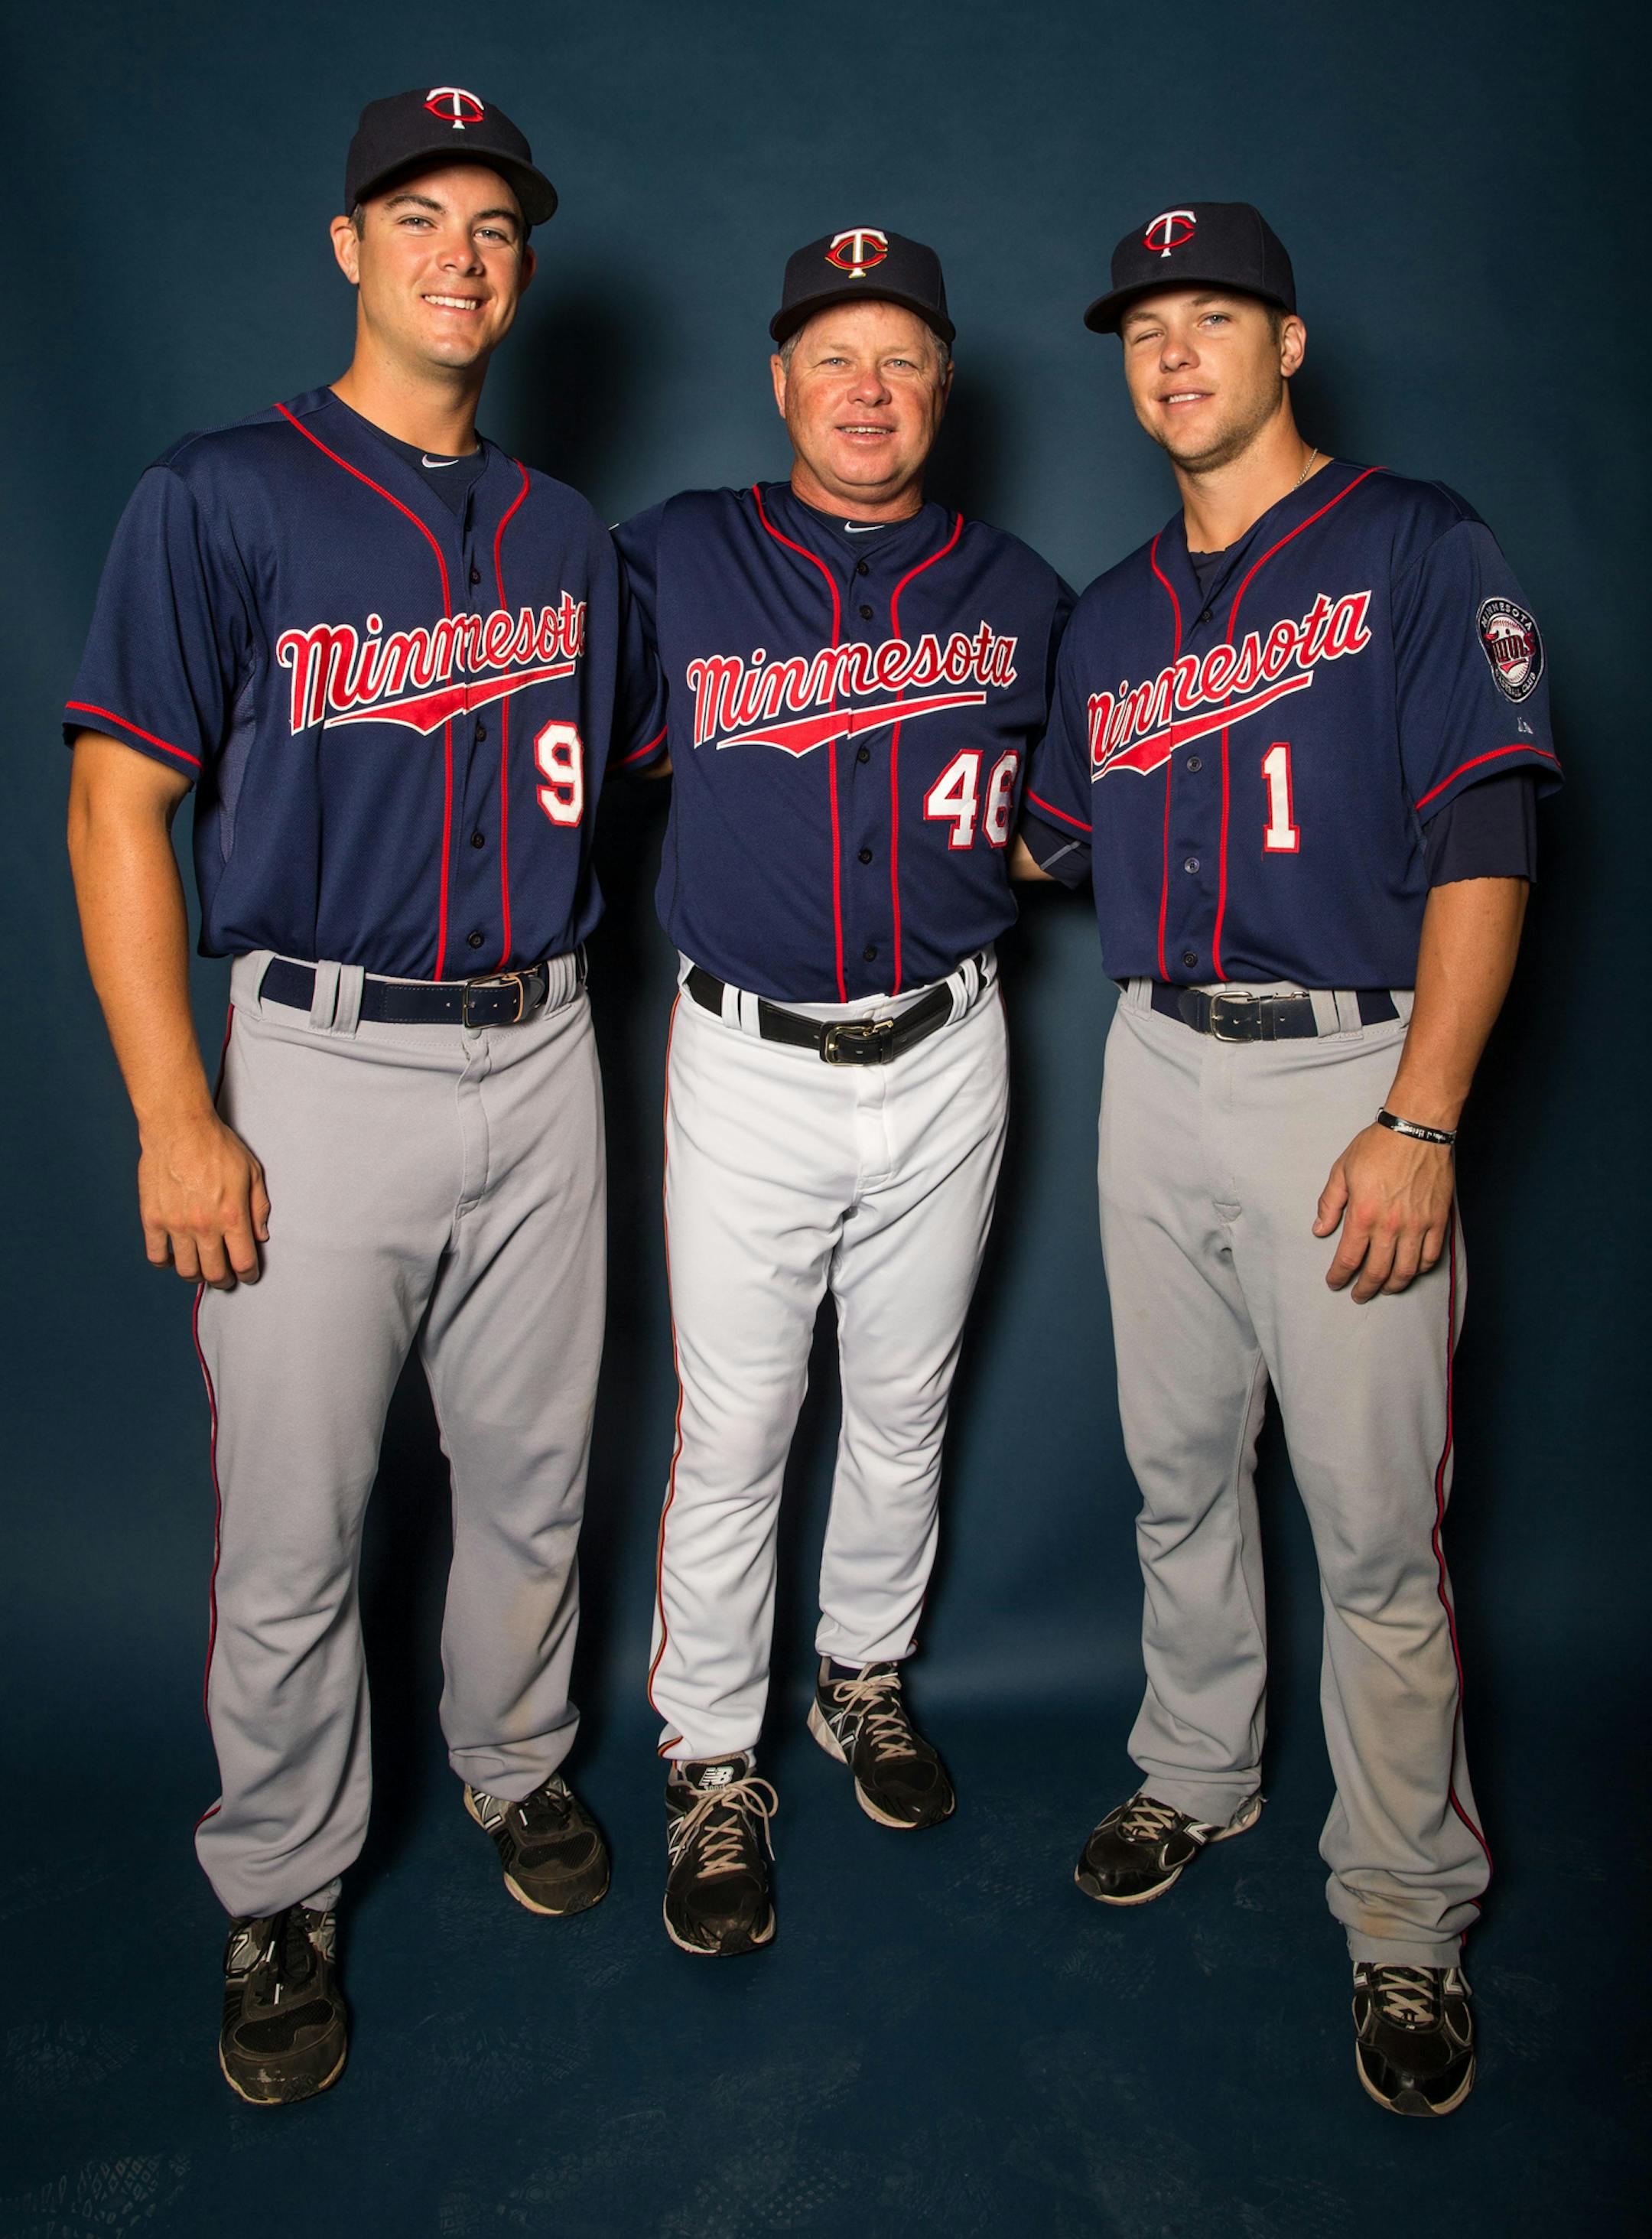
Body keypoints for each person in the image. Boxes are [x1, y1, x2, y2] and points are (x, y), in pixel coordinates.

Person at [64, 86, 634, 2104]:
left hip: (552, 1048)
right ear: (346, 247)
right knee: (302, 1525)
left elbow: (662, 771)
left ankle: (511, 1767)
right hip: (315, 1054)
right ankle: (283, 1887)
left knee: (537, 1476)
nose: (459, 252)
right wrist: (174, 1110)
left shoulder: (569, 532)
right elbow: (118, 803)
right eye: (418, 213)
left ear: (526, 266)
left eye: (493, 222)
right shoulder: (219, 495)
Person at [1016, 201, 1559, 2117]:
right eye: (1147, 325)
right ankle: (1198, 1769)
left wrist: (1420, 1120)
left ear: (1290, 343)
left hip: (1349, 1072)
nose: (1176, 354)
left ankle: (1407, 1913)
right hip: (1154, 1062)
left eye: (1215, 317)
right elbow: (1040, 844)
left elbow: (1488, 844)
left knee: (1370, 1530)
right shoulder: (1108, 611)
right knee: (1179, 1472)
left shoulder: (1417, 541)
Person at [614, 228, 1073, 1955]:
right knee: (735, 1434)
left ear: (943, 390)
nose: (865, 391)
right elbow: (517, 716)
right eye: (833, 357)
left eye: (899, 361)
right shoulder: (672, 560)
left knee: (903, 1402)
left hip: (953, 1044)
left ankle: (859, 1675)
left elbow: (1086, 811)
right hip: (745, 1057)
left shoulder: (1022, 593)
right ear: (780, 380)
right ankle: (712, 1756)